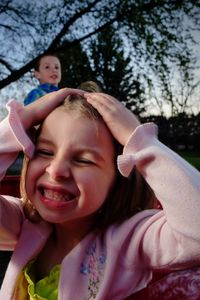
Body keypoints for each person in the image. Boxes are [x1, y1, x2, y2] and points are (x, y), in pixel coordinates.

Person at [0, 81, 200, 300]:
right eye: (45, 152)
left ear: (117, 179)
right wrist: (20, 120)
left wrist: (141, 141)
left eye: (83, 160)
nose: (56, 170)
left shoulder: (130, 239)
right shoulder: (23, 222)